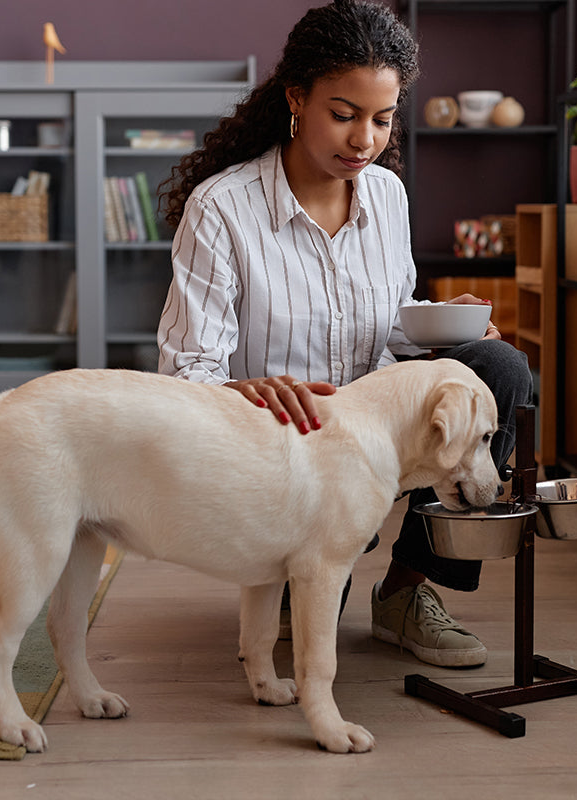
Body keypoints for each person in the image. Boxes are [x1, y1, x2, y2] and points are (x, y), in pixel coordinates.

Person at [156, 0, 531, 669]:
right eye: (344, 113)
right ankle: (295, 574)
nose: (365, 139)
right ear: (296, 99)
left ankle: (406, 592)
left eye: (382, 119)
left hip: (372, 435)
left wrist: (444, 321)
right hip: (283, 447)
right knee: (308, 612)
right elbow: (186, 373)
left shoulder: (386, 195)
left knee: (496, 367)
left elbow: (389, 327)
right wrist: (251, 391)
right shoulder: (223, 208)